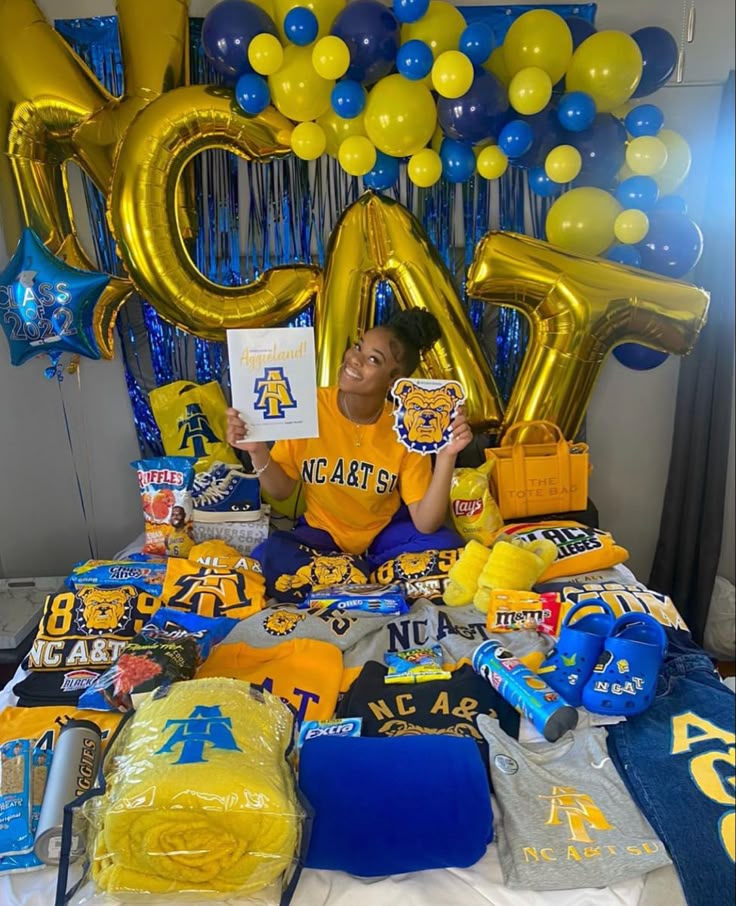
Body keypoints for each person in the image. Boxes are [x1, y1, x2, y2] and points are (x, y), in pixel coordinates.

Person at [226, 311, 472, 569]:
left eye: (373, 359)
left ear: (393, 382)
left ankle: (348, 572)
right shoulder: (309, 405)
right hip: (322, 533)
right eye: (358, 346)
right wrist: (257, 451)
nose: (354, 359)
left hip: (384, 535)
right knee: (270, 556)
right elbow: (281, 490)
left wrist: (447, 455)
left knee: (448, 548)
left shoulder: (407, 426)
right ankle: (364, 573)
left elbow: (425, 522)